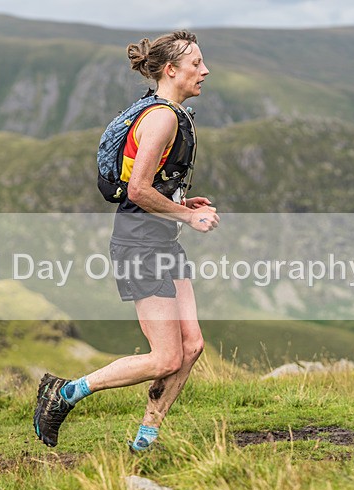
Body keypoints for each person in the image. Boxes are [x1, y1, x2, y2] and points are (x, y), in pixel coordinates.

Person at [34, 30, 218, 451]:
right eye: (196, 64)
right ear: (171, 70)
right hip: (140, 244)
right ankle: (63, 393)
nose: (204, 71)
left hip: (160, 239)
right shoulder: (163, 117)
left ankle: (145, 441)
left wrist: (182, 202)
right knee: (166, 357)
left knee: (191, 346)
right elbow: (136, 190)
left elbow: (151, 184)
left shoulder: (168, 111)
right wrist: (188, 217)